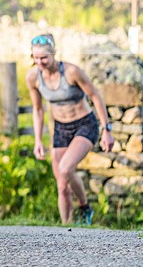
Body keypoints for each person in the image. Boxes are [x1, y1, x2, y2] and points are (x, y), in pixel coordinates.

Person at [25, 34, 114, 225]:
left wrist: (107, 129)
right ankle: (66, 228)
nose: (40, 62)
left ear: (54, 54)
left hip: (84, 124)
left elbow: (96, 96)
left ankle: (83, 207)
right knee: (61, 184)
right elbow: (38, 109)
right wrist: (38, 140)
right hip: (60, 129)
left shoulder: (72, 72)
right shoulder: (33, 77)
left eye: (44, 58)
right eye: (35, 58)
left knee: (65, 168)